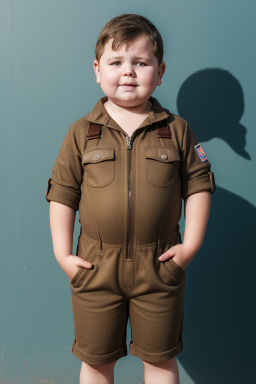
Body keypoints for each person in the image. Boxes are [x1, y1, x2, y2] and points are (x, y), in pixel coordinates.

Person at [45, 13, 216, 384]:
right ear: (97, 69)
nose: (128, 72)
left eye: (140, 62)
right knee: (95, 363)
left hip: (159, 265)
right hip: (95, 267)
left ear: (160, 70)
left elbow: (199, 185)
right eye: (116, 62)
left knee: (160, 362)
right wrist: (63, 255)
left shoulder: (177, 130)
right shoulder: (81, 132)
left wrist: (190, 248)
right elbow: (62, 193)